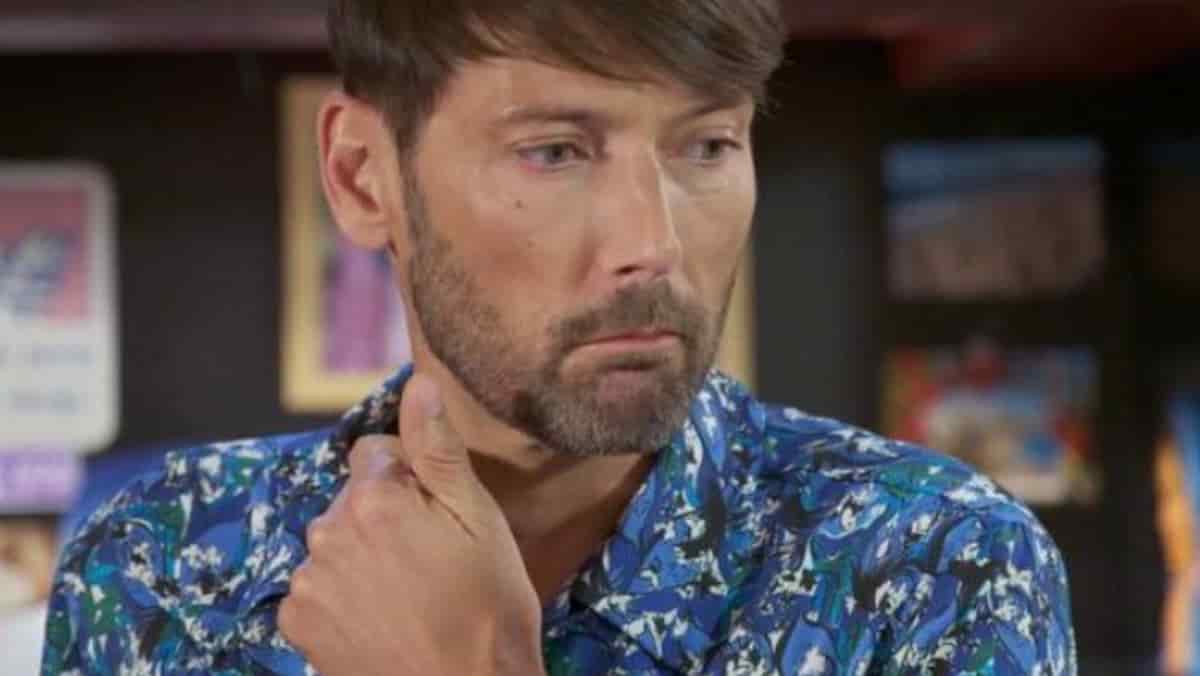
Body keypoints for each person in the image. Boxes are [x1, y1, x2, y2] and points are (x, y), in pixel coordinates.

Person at [40, 1, 1077, 673]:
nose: (652, 245)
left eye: (708, 145)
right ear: (363, 177)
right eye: (555, 152)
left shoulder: (933, 562)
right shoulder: (160, 563)